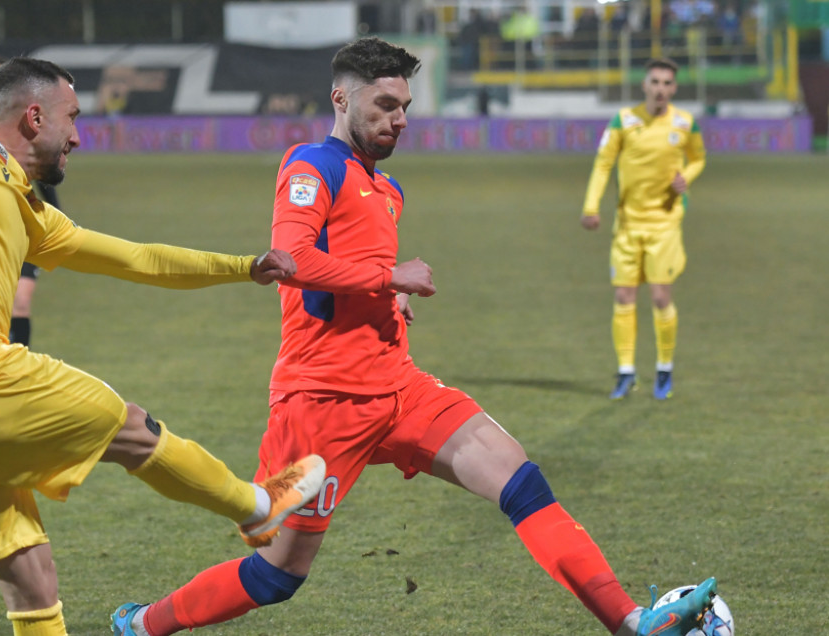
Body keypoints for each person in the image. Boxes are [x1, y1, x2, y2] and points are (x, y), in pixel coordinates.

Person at [112, 38, 715, 636]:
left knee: (519, 479)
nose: (398, 119)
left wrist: (389, 297)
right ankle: (144, 625)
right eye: (383, 104)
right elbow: (288, 259)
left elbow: (348, 270)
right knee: (277, 577)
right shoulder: (310, 165)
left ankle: (631, 621)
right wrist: (387, 275)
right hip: (321, 404)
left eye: (404, 105)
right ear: (341, 98)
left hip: (399, 387)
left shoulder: (389, 189)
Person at [0, 56, 327, 636]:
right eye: (73, 118)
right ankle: (260, 512)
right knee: (131, 426)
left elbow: (138, 259)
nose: (79, 138)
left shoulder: (27, 210)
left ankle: (255, 512)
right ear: (34, 118)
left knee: (30, 580)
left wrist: (245, 267)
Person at [581, 57, 706, 400]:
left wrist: (687, 178)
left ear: (674, 88)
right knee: (623, 296)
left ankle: (664, 368)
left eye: (667, 83)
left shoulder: (685, 123)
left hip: (665, 223)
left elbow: (698, 158)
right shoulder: (624, 120)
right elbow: (603, 163)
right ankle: (626, 373)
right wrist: (591, 206)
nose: (661, 89)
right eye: (655, 82)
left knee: (661, 295)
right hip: (628, 225)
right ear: (645, 85)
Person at [0, 53, 46, 346]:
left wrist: (57, 217)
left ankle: (21, 374)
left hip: (24, 227)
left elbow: (43, 177)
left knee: (21, 303)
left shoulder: (27, 128)